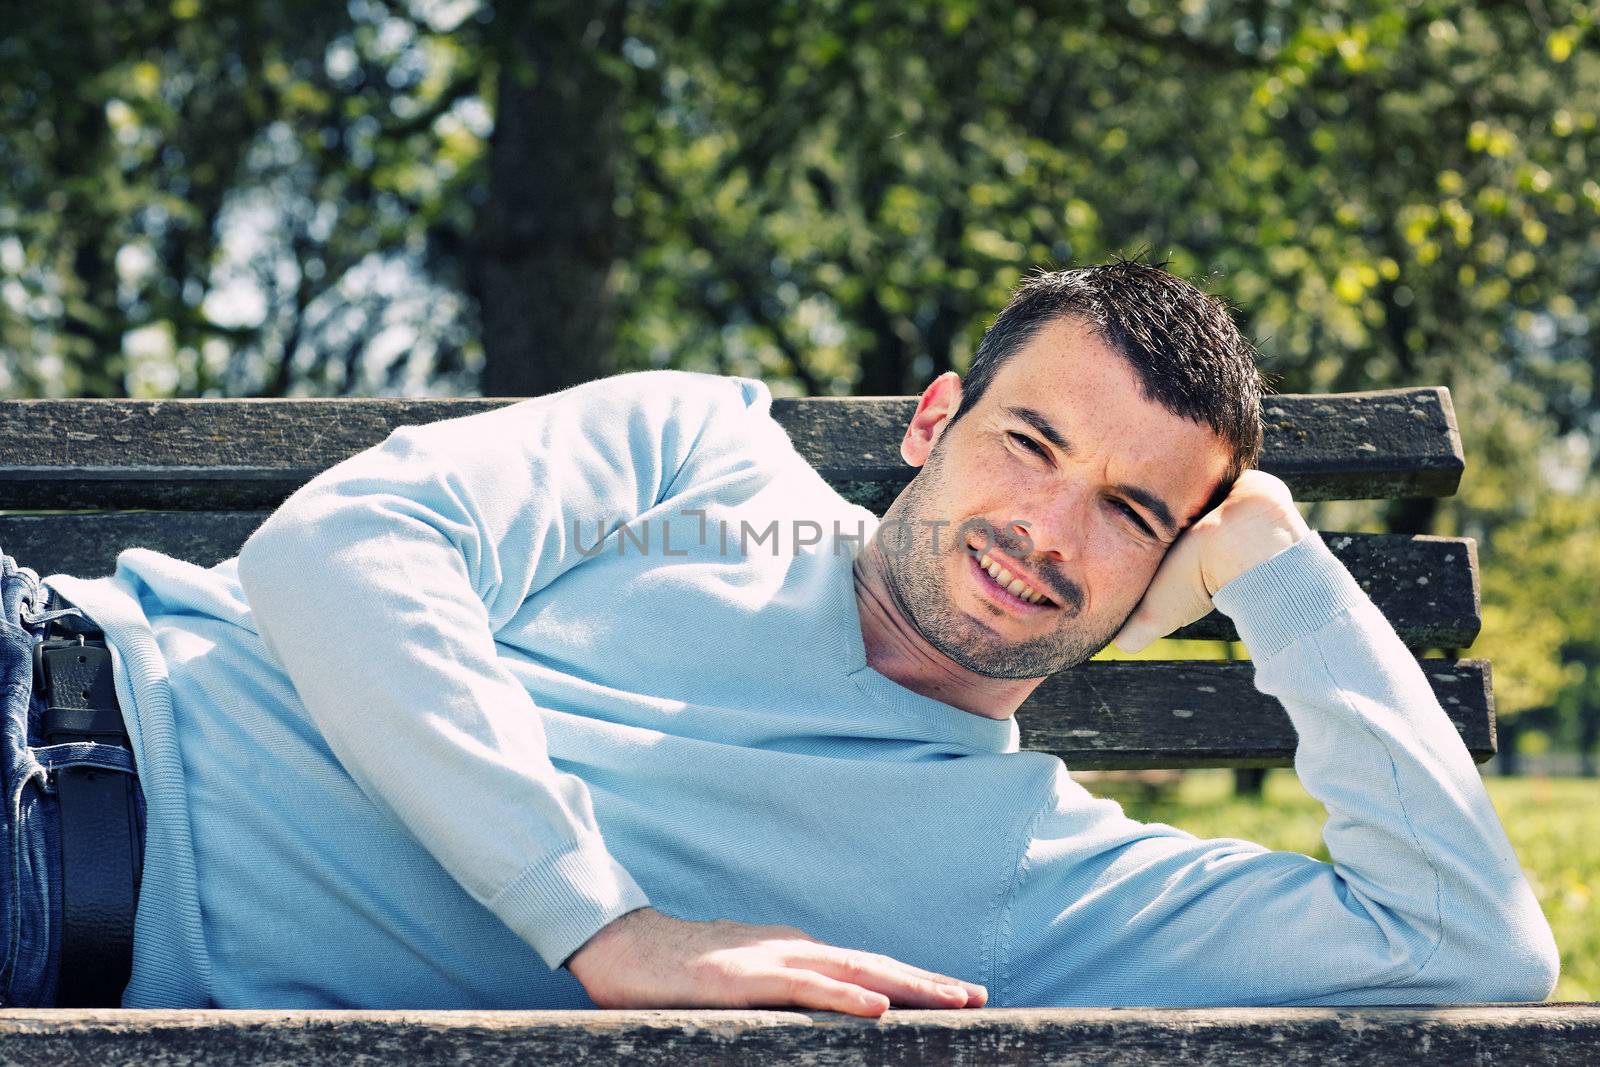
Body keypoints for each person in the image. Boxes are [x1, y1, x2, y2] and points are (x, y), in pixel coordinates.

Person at [4, 262, 1558, 1012]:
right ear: (930, 423)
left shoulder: (1032, 876)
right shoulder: (701, 460)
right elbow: (342, 548)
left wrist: (1278, 567)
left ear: (1169, 572)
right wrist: (605, 927)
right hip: (48, 684)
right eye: (1028, 445)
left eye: (1134, 515)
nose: (1051, 534)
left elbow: (1469, 948)